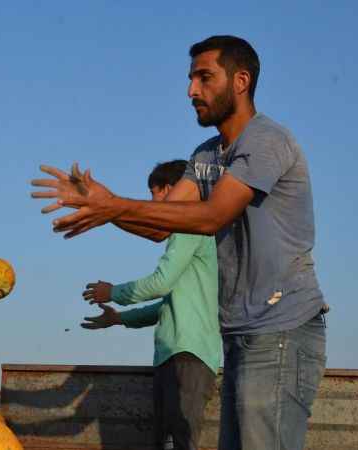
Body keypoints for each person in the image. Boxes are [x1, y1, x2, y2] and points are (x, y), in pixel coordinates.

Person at [31, 35, 327, 450]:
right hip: (240, 334)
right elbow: (163, 229)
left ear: (240, 81)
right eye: (190, 79)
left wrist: (113, 205)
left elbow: (211, 217)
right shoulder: (205, 155)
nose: (191, 91)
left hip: (282, 330)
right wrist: (105, 209)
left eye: (204, 78)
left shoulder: (265, 141)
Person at [81, 159, 220, 450]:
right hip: (178, 354)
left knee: (178, 442)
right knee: (168, 442)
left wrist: (114, 292)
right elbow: (167, 305)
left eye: (153, 195)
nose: (152, 204)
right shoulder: (188, 234)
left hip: (187, 355)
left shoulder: (189, 228)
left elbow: (160, 283)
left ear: (171, 190)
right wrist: (120, 318)